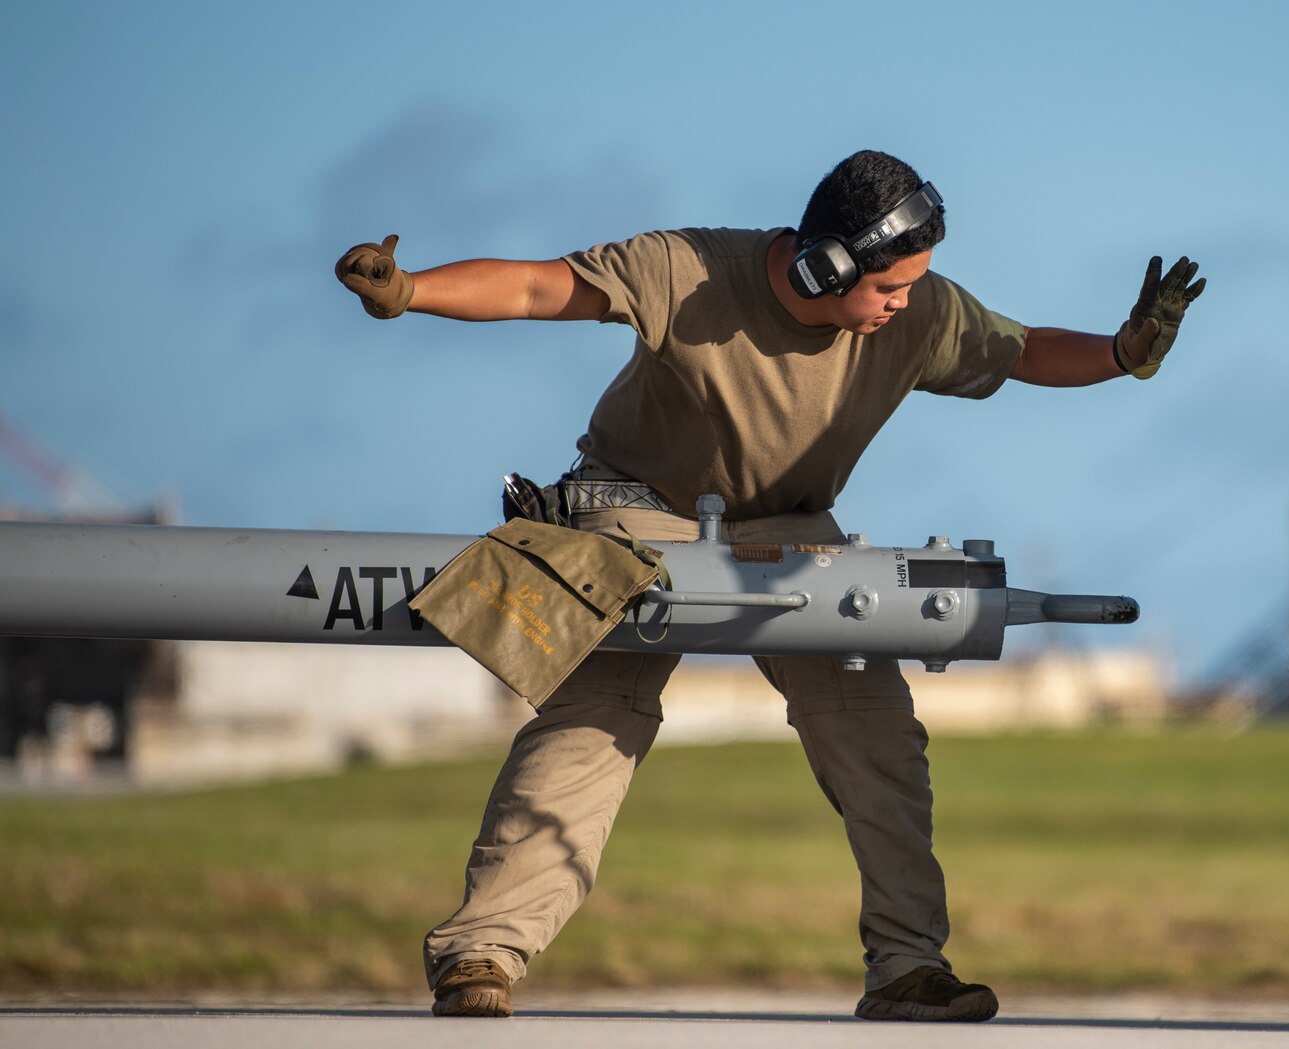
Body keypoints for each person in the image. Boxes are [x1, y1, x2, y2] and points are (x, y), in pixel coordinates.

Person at [335, 150, 1204, 1022]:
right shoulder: (687, 271)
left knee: (873, 726)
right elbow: (535, 288)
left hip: (788, 524)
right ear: (826, 265)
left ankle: (908, 966)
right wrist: (409, 290)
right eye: (889, 287)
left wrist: (1123, 353)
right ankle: (481, 954)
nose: (905, 303)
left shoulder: (919, 312)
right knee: (599, 714)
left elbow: (1022, 351)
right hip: (639, 508)